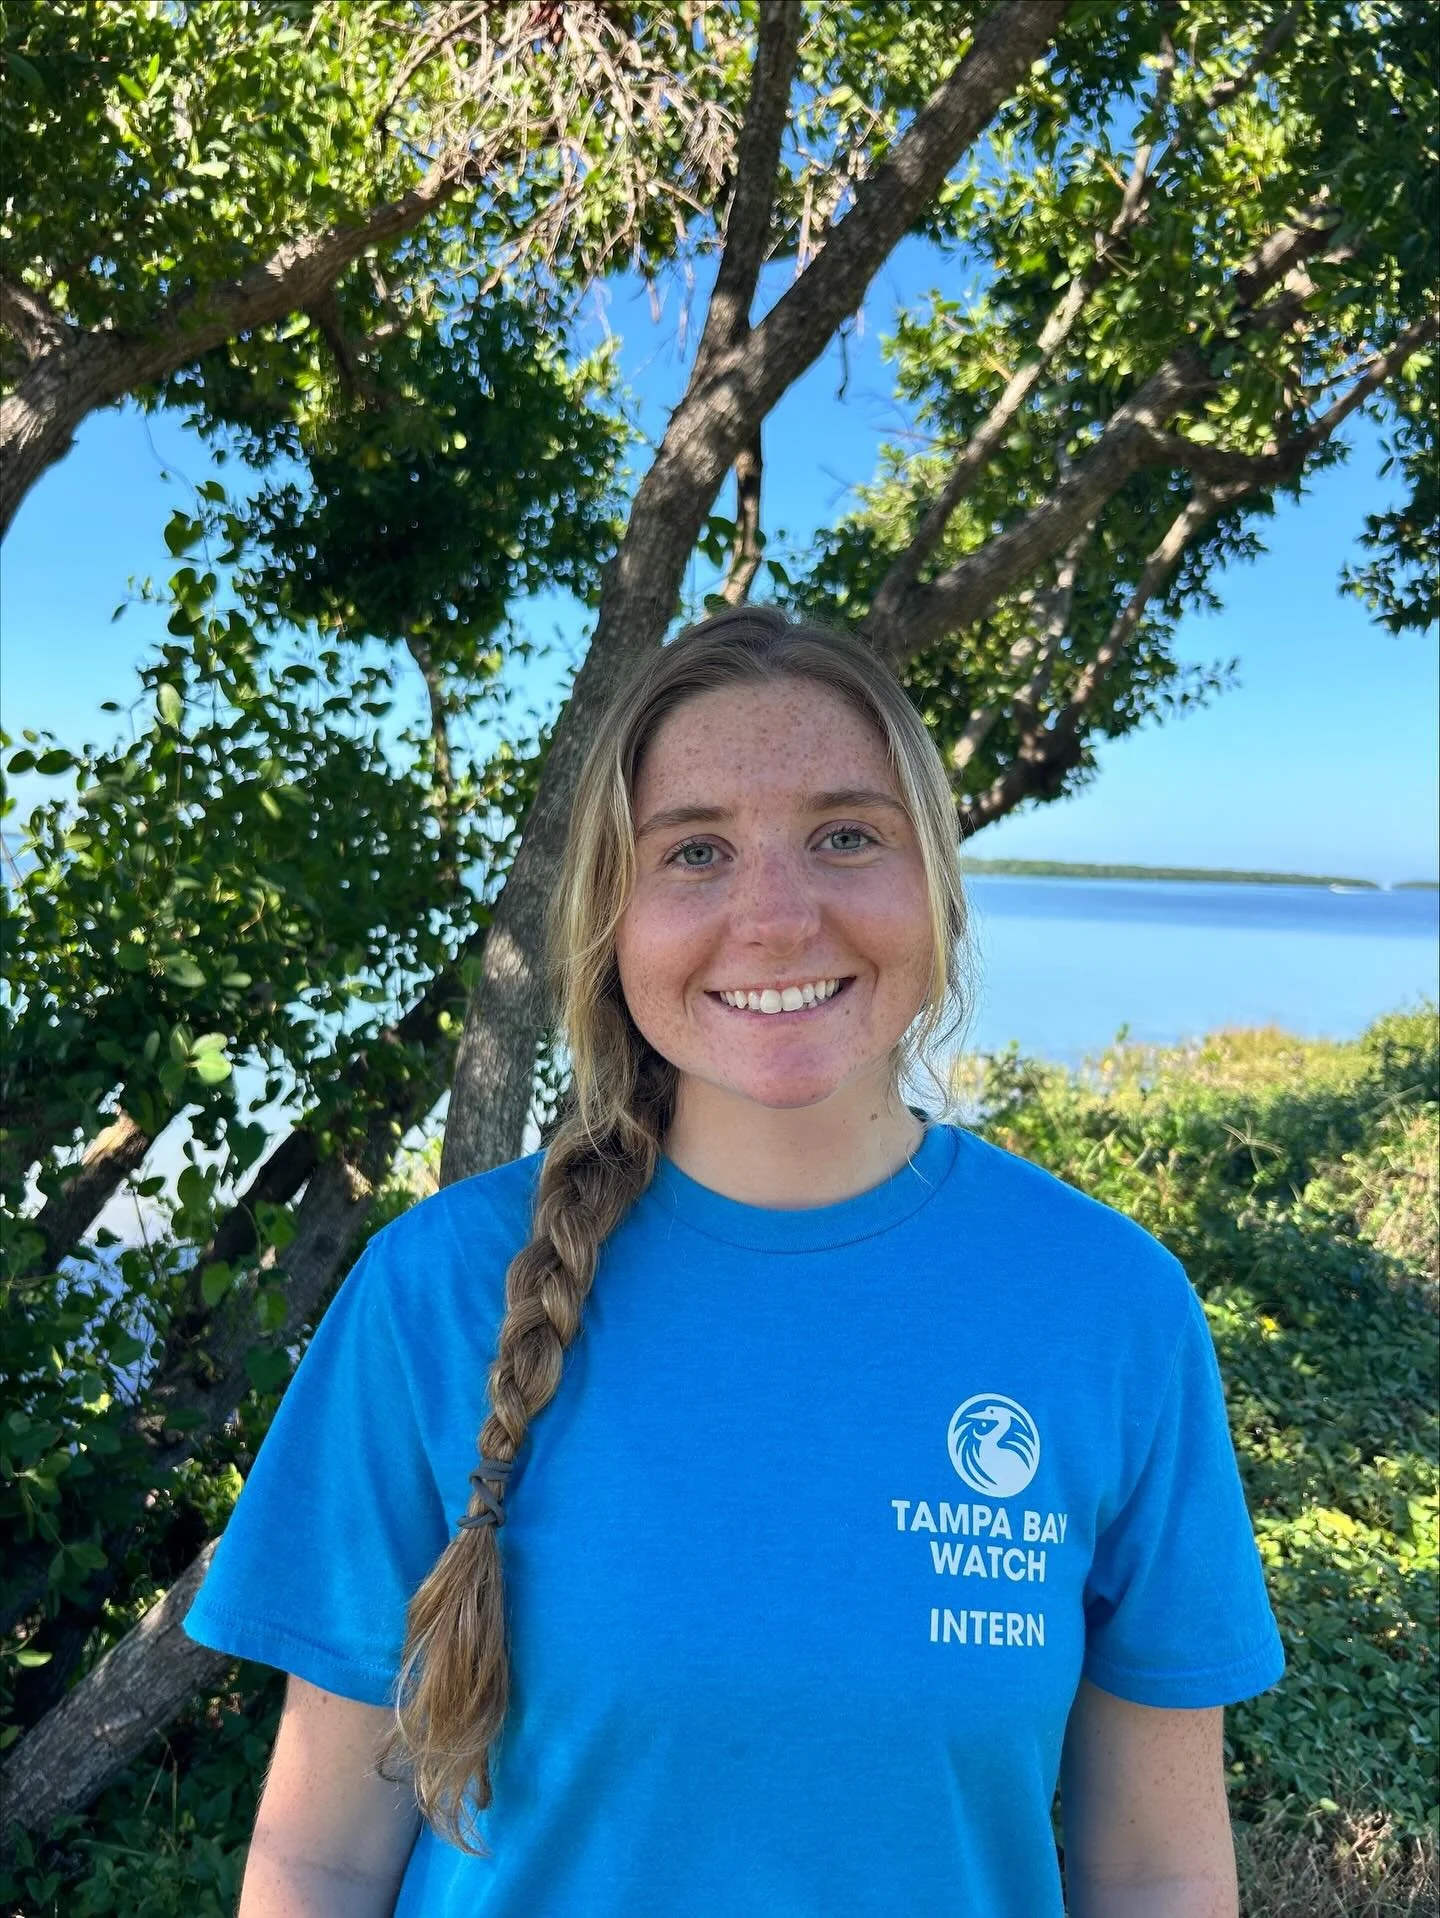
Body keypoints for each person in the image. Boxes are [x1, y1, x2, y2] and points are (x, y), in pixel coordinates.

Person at [184, 606, 1285, 1917]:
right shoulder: (433, 1293)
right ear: (612, 918)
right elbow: (318, 1857)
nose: (774, 917)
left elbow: (1152, 1866)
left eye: (845, 835)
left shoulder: (1109, 1309)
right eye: (695, 851)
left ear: (933, 886)